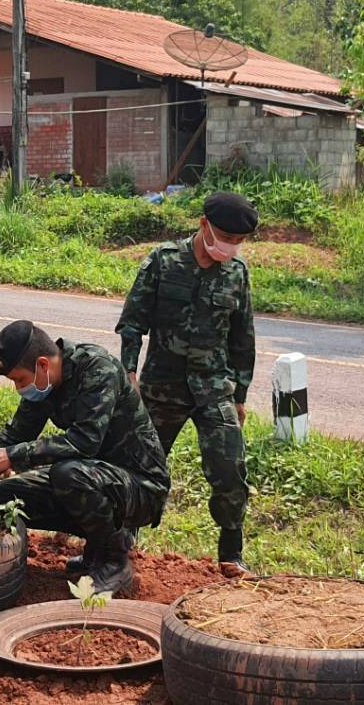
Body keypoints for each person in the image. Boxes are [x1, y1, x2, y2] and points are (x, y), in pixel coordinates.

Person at [0, 321, 169, 595]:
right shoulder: (44, 386)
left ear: (43, 365)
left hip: (140, 486)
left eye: (19, 380)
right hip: (95, 477)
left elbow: (85, 442)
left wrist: (11, 457)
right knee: (1, 499)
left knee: (68, 475)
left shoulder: (97, 368)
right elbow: (16, 435)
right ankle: (97, 546)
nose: (18, 389)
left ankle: (113, 559)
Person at [116, 191, 257, 573]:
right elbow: (133, 322)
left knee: (229, 468)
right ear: (203, 225)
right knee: (142, 465)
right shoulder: (163, 262)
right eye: (224, 237)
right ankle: (123, 543)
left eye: (237, 241)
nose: (229, 247)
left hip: (214, 389)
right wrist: (128, 372)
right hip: (162, 387)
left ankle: (231, 554)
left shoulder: (236, 274)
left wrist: (240, 395)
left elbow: (243, 339)